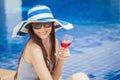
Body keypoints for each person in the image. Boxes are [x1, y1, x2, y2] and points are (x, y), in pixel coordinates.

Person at [12, 5, 73, 80]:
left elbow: (54, 77)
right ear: (31, 28)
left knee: (80, 77)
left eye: (47, 24)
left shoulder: (54, 42)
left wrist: (61, 59)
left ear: (52, 25)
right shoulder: (34, 49)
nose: (42, 29)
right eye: (37, 25)